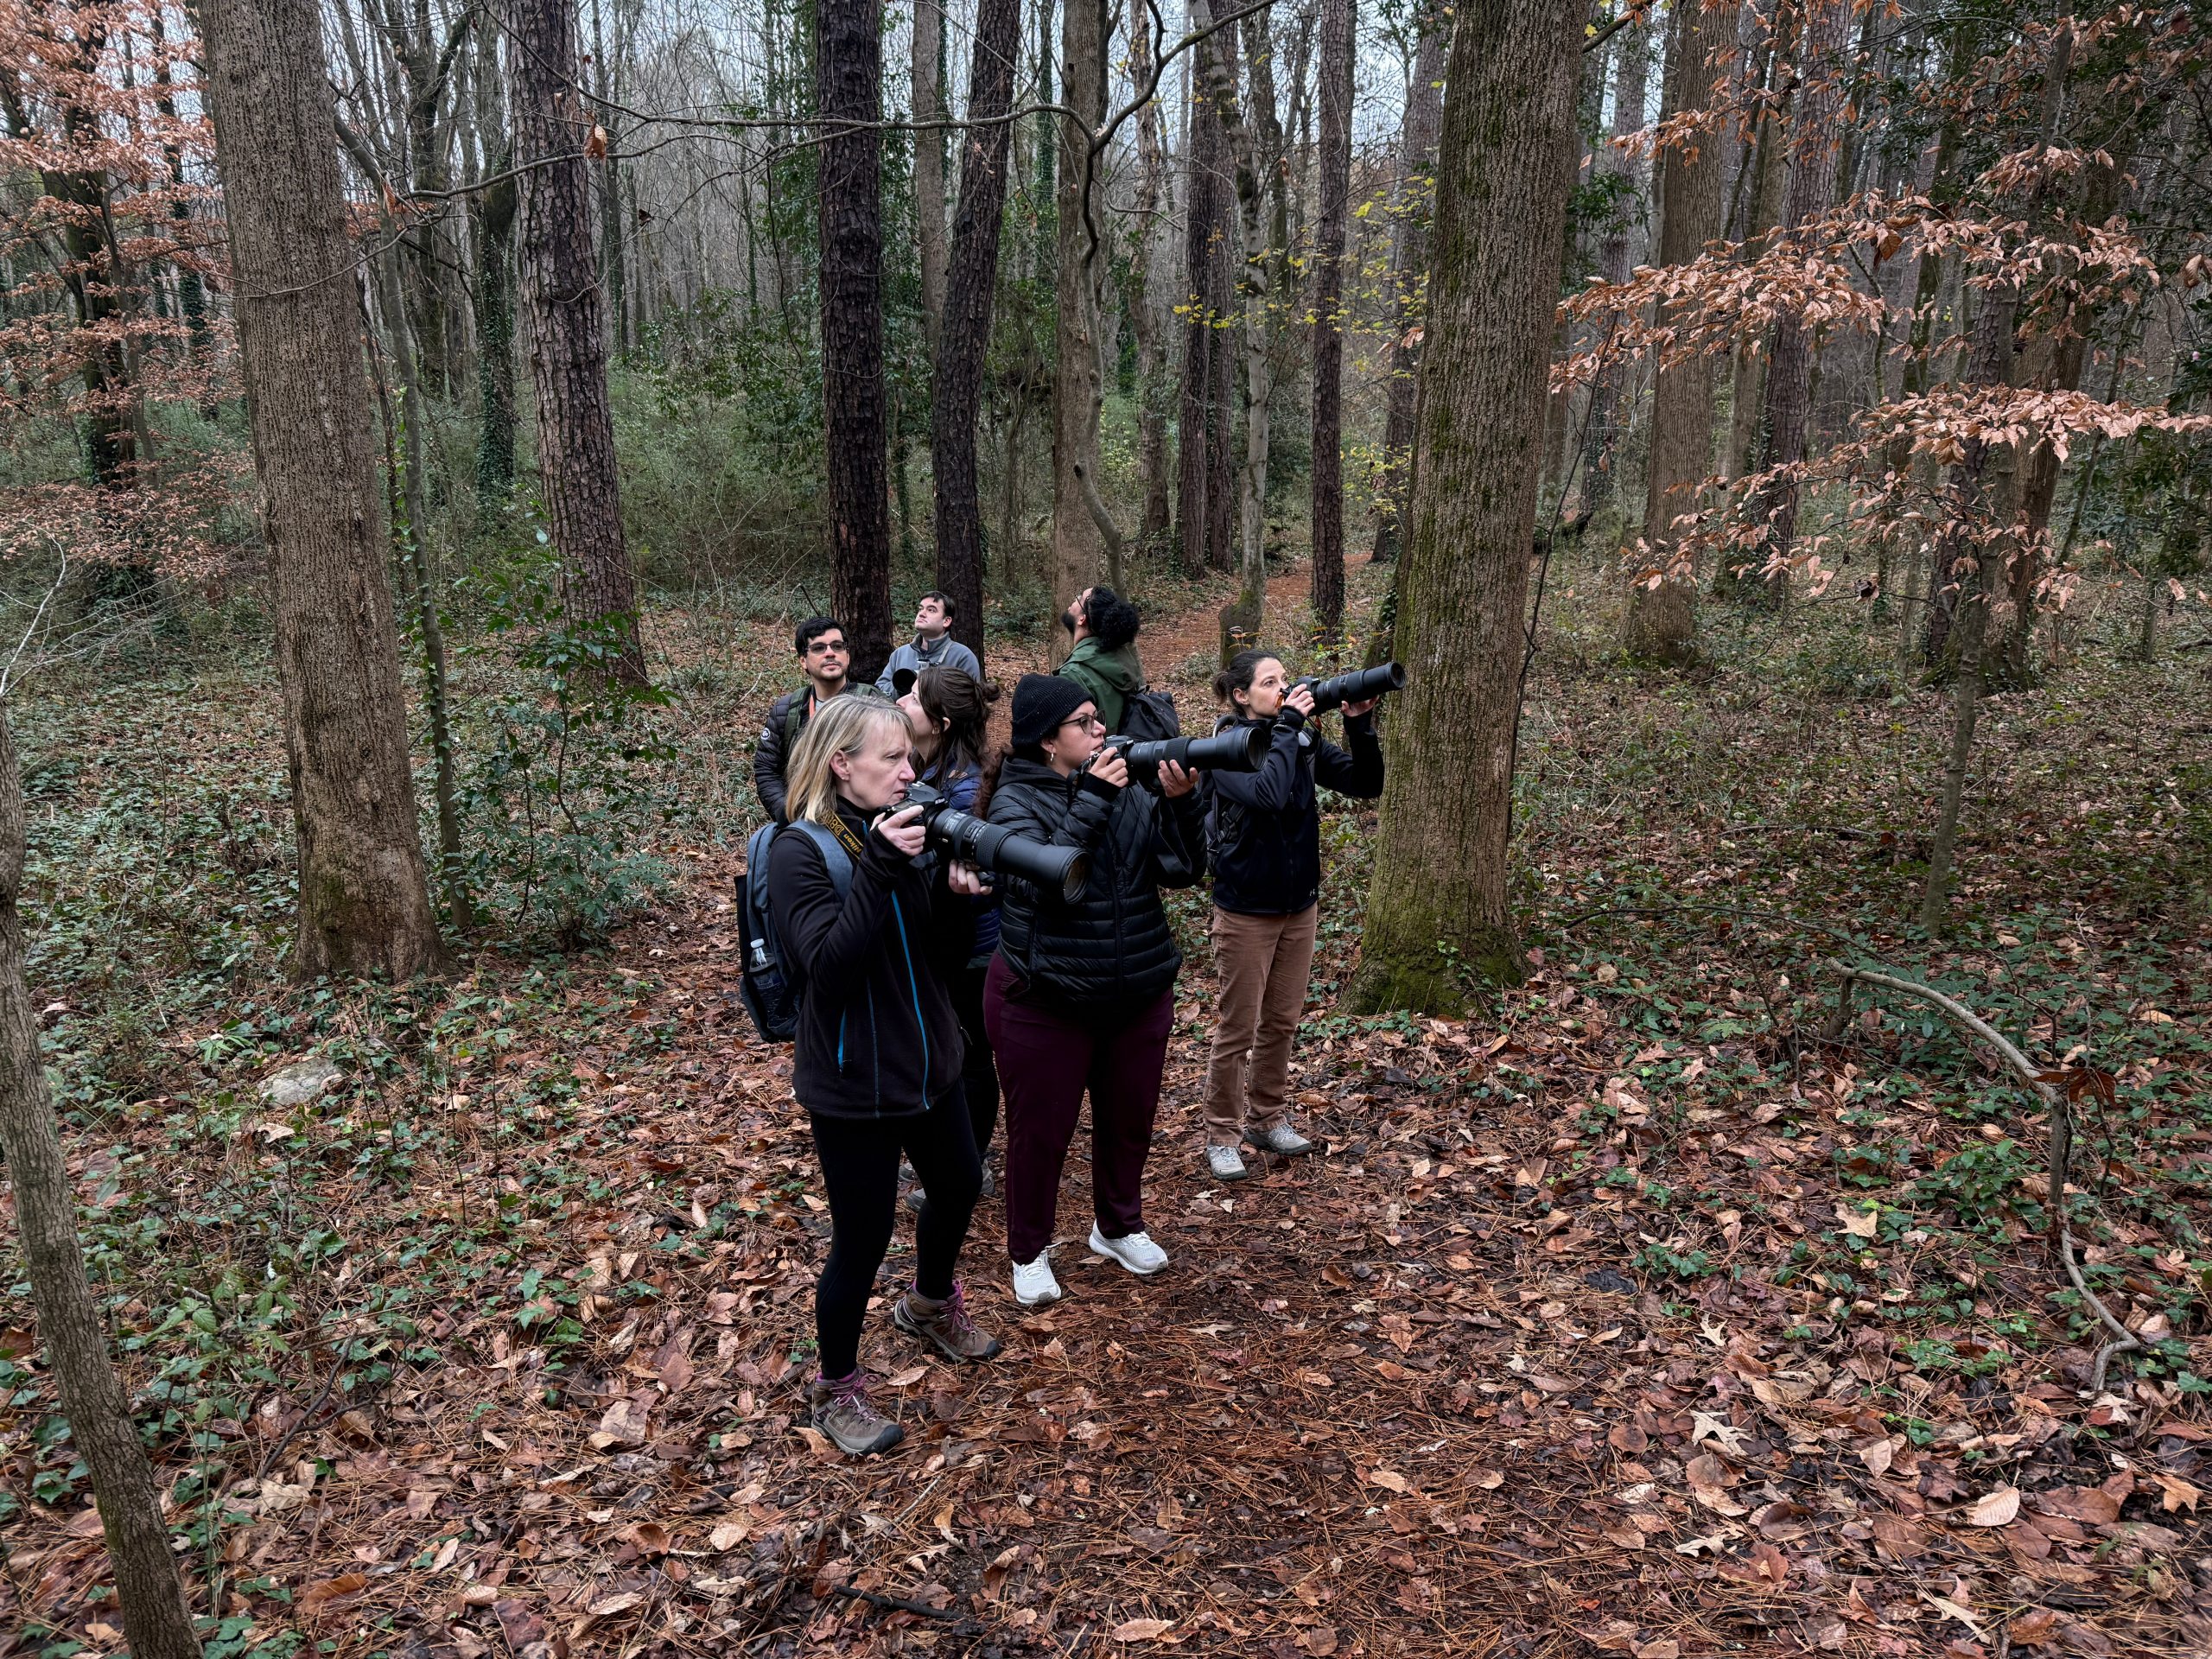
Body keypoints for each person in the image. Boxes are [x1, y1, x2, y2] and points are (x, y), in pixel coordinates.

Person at [766, 695, 1001, 1456]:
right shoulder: (799, 850)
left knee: (959, 1185)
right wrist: (880, 866)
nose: (909, 772)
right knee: (861, 1239)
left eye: (911, 756)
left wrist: (957, 902)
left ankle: (929, 1305)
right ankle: (834, 1386)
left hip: (929, 1058)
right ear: (842, 764)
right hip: (853, 1079)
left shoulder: (900, 829)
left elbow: (934, 954)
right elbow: (827, 972)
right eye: (892, 758)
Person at [982, 674, 1203, 1306]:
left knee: (1129, 1122)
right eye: (1084, 722)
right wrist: (1093, 799)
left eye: (1099, 717)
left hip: (1137, 988)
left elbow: (1182, 869)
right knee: (1040, 1133)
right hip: (1048, 997)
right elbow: (1040, 884)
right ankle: (1029, 1250)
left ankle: (1118, 1226)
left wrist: (1181, 803)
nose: (1101, 728)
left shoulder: (1126, 788)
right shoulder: (1013, 803)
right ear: (1047, 741)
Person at [1198, 651, 1383, 1182]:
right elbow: (1270, 795)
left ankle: (1267, 1118)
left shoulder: (1297, 739)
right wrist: (1289, 726)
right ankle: (1222, 1134)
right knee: (1238, 1028)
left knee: (1281, 1021)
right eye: (1269, 681)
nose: (1283, 687)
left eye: (1284, 678)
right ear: (1241, 696)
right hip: (1245, 910)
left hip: (1298, 905)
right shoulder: (1224, 747)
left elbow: (1366, 783)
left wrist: (1359, 724)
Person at [897, 666, 1002, 1197]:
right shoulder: (929, 769)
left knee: (972, 1057)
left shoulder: (963, 791)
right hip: (945, 943)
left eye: (914, 698)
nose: (902, 701)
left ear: (939, 723)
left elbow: (979, 883)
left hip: (975, 949)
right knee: (948, 1049)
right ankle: (950, 1152)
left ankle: (972, 1162)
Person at [753, 616, 851, 824]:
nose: (830, 653)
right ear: (803, 661)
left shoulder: (872, 704)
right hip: (801, 820)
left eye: (837, 646)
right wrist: (787, 813)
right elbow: (767, 769)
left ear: (847, 655)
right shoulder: (787, 710)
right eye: (818, 648)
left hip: (858, 823)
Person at [1055, 585, 1144, 734]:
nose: (1074, 600)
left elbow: (1072, 736)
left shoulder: (1073, 672)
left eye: (1079, 598)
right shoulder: (1122, 656)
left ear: (1082, 619)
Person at [877, 591, 982, 696]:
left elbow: (968, 699)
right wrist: (903, 686)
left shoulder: (962, 657)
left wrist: (926, 687)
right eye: (920, 609)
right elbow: (879, 689)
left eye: (931, 610)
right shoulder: (900, 654)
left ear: (946, 621)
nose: (921, 614)